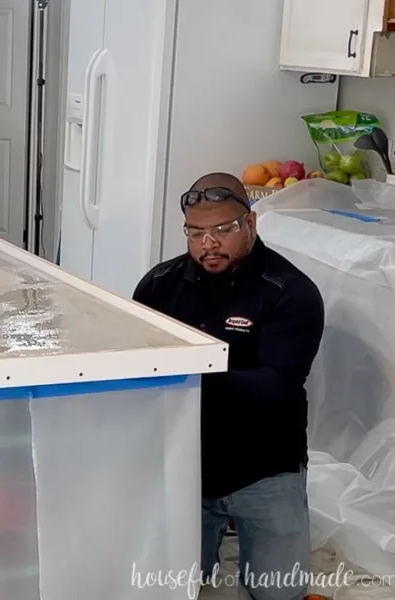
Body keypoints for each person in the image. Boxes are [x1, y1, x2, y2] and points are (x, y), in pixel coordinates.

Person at [131, 173, 324, 600]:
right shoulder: (159, 286)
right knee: (172, 583)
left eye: (223, 229)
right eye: (196, 232)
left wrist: (187, 373)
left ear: (250, 224)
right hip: (184, 464)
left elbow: (278, 386)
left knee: (278, 592)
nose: (209, 243)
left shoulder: (290, 293)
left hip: (264, 469)